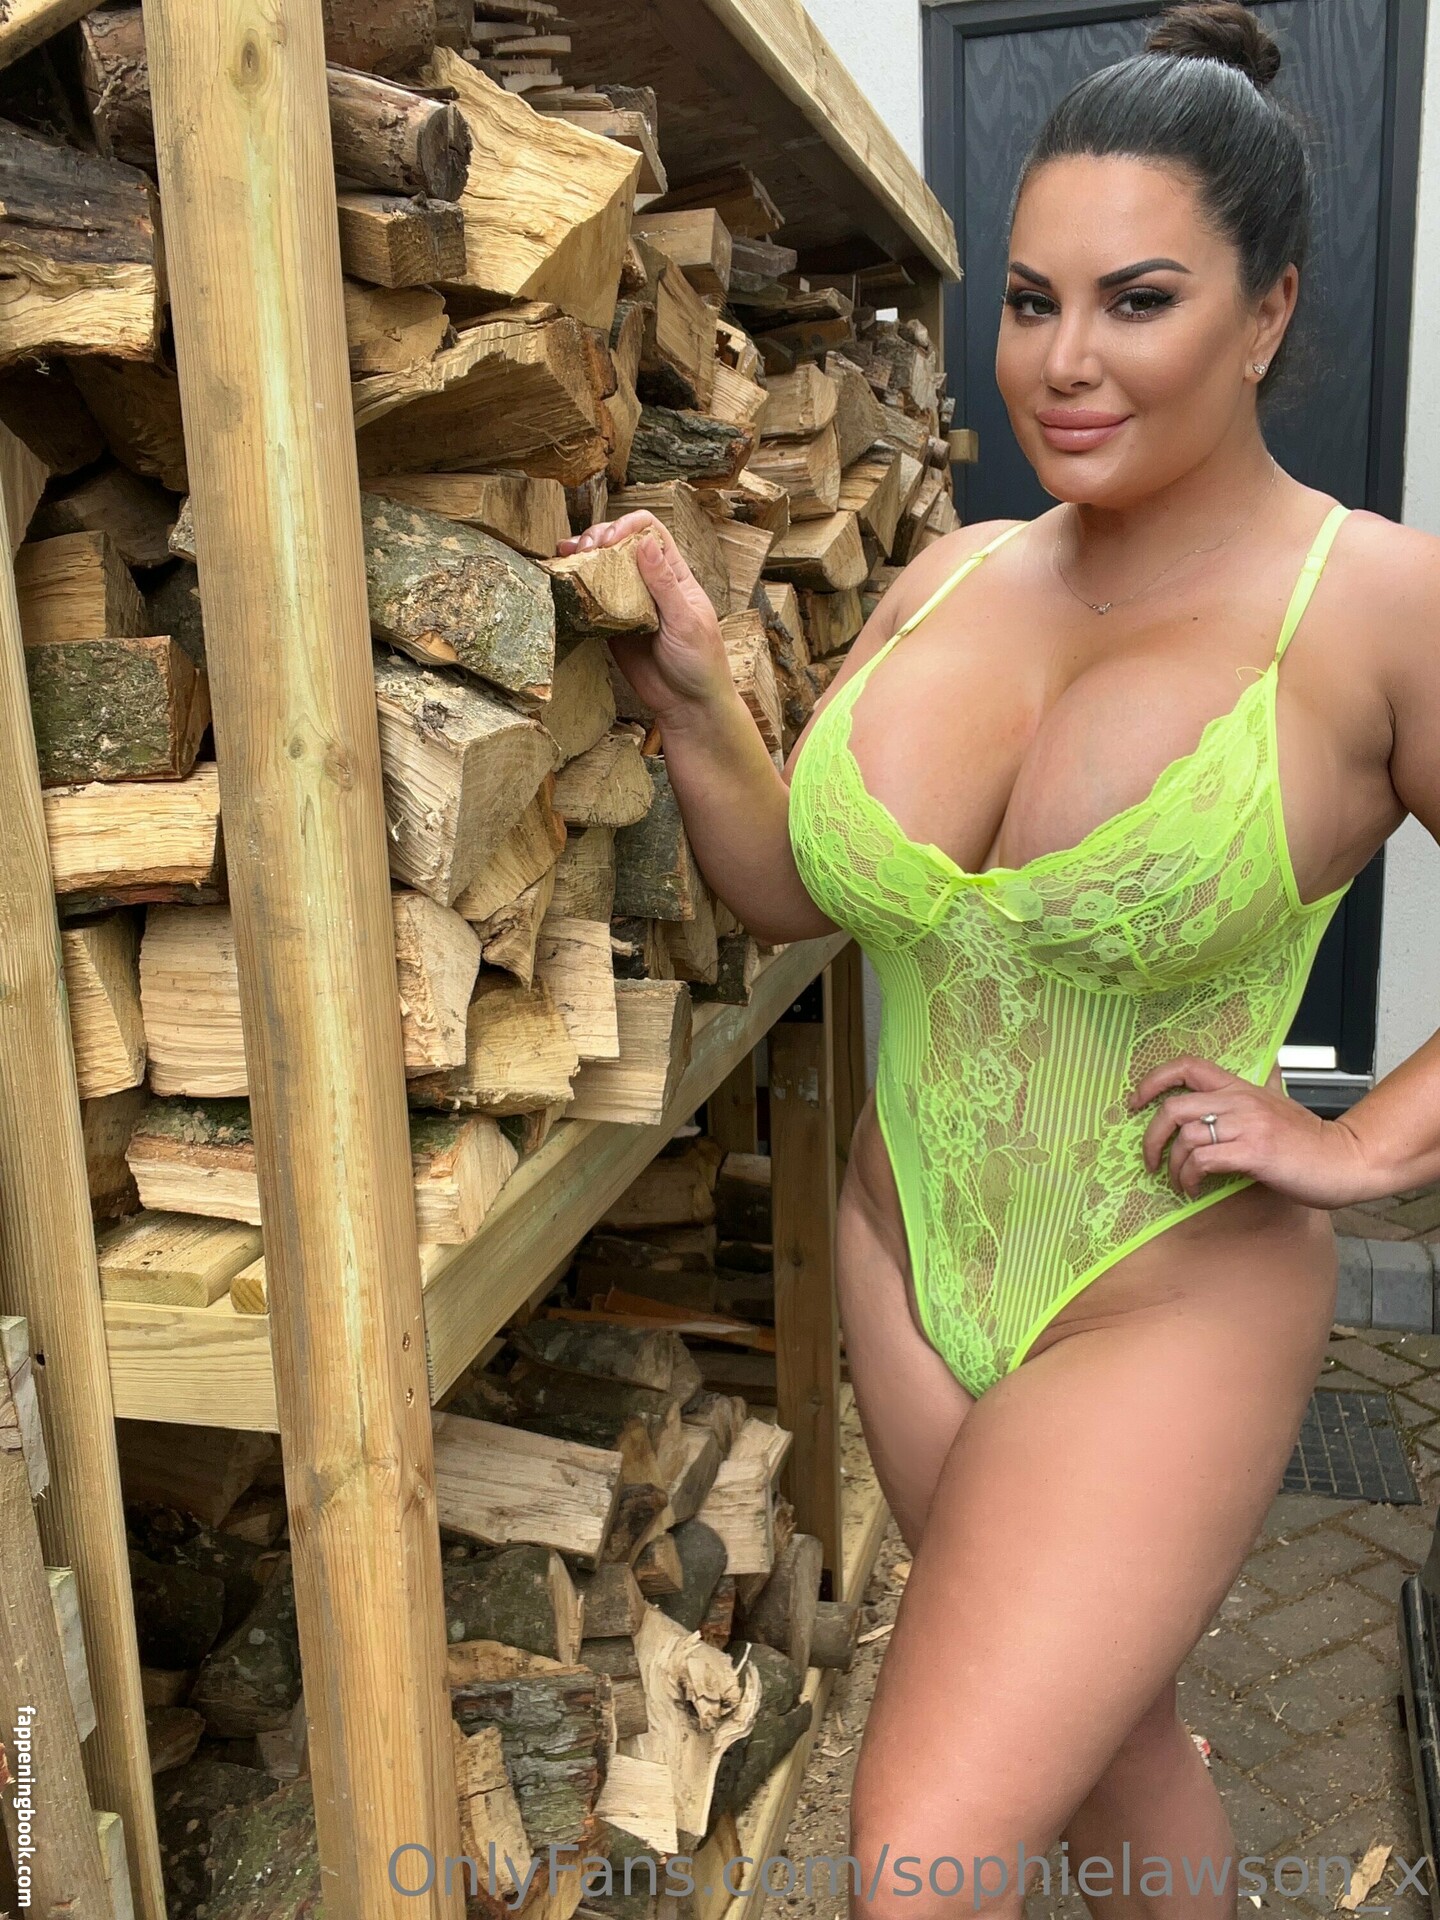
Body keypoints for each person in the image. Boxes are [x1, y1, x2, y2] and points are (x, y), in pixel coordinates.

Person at [558, 4, 1440, 1910]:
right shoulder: (950, 572)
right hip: (906, 1260)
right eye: (1032, 302)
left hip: (1161, 1292)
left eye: (1139, 300)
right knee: (1112, 1742)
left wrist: (1364, 1145)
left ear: (1271, 311)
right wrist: (699, 702)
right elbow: (793, 891)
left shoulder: (1373, 603)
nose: (1063, 360)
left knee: (918, 1862)